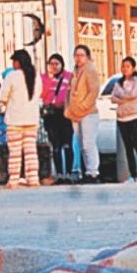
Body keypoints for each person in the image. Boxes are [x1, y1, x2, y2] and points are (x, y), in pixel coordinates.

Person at [0, 50, 44, 188]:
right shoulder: (36, 76)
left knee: (15, 153)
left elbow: (3, 96)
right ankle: (33, 178)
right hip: (31, 119)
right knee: (31, 152)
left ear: (18, 62)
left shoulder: (12, 76)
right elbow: (40, 93)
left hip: (15, 121)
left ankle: (13, 180)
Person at [65, 45, 101, 183]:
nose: (78, 58)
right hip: (75, 113)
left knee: (88, 143)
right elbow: (69, 92)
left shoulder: (90, 70)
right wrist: (68, 109)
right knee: (80, 144)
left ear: (87, 57)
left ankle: (93, 172)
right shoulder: (75, 71)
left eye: (81, 55)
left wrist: (83, 105)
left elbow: (94, 91)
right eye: (76, 55)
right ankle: (87, 171)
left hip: (88, 113)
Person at [41, 53, 74, 184]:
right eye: (51, 64)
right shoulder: (43, 78)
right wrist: (49, 80)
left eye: (56, 64)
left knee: (67, 144)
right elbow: (42, 94)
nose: (54, 66)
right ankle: (59, 174)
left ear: (62, 64)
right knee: (55, 145)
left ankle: (69, 174)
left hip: (65, 114)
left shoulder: (69, 76)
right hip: (51, 114)